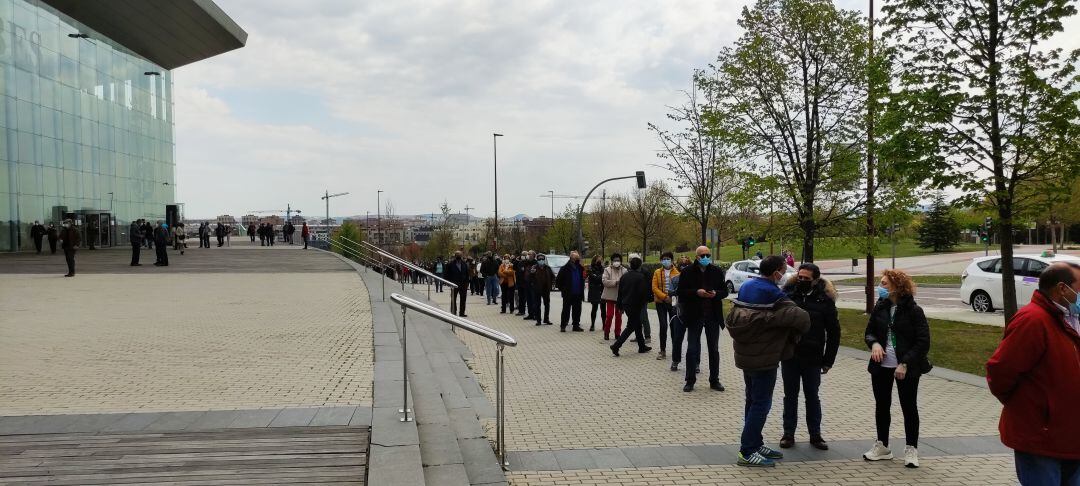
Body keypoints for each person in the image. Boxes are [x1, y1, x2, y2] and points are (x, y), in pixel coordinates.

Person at [987, 262, 1080, 485]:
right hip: (1041, 438)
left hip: (1071, 436)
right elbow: (1000, 372)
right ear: (1062, 289)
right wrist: (1032, 408)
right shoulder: (1033, 320)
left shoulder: (1070, 318)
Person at [726, 255, 810, 468]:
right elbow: (800, 317)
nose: (785, 275)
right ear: (776, 273)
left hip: (747, 355)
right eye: (784, 270)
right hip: (765, 356)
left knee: (751, 401)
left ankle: (755, 443)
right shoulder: (772, 292)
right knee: (761, 404)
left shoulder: (747, 286)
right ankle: (747, 451)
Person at [861, 269, 930, 469]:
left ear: (897, 287)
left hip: (905, 367)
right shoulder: (880, 306)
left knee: (909, 407)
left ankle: (911, 449)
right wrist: (874, 344)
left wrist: (905, 363)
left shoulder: (914, 310)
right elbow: (869, 332)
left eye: (884, 284)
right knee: (882, 405)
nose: (880, 287)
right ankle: (882, 446)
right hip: (881, 365)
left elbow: (923, 342)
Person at [778, 263, 840, 451]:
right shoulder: (788, 296)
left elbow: (834, 332)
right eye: (800, 277)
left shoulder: (825, 300)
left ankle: (815, 434)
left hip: (813, 356)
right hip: (790, 355)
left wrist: (828, 360)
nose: (802, 280)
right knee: (790, 395)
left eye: (806, 278)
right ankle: (788, 433)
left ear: (815, 280)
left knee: (812, 395)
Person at [677, 246, 729, 392]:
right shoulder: (687, 271)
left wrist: (715, 294)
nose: (706, 257)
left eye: (708, 254)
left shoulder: (717, 271)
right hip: (694, 315)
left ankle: (714, 380)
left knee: (714, 349)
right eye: (703, 255)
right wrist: (696, 292)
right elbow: (680, 292)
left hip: (712, 315)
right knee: (692, 349)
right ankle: (690, 380)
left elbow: (725, 291)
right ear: (697, 257)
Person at [610, 254, 652, 356]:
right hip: (636, 305)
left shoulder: (624, 277)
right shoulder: (641, 277)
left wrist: (619, 305)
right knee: (631, 326)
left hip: (626, 304)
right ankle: (616, 346)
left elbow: (620, 292)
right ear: (639, 266)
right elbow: (643, 292)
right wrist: (647, 300)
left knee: (637, 325)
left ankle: (642, 346)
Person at [652, 251, 680, 360]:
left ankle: (675, 350)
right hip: (661, 302)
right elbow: (654, 287)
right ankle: (662, 350)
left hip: (673, 302)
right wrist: (664, 297)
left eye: (668, 259)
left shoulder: (677, 272)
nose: (666, 261)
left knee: (674, 326)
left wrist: (671, 297)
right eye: (664, 259)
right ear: (661, 261)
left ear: (672, 260)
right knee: (663, 326)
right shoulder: (657, 272)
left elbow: (679, 287)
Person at [556, 251, 586, 332]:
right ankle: (563, 326)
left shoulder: (580, 268)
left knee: (577, 311)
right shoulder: (565, 268)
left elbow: (583, 277)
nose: (578, 260)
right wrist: (564, 289)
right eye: (577, 258)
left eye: (578, 258)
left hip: (578, 293)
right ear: (572, 258)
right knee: (566, 310)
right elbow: (558, 281)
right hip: (568, 294)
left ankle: (576, 325)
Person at [601, 253, 626, 341]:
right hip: (610, 296)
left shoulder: (624, 270)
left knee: (619, 316)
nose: (616, 262)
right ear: (612, 261)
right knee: (609, 315)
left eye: (618, 260)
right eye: (615, 260)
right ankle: (606, 332)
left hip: (620, 297)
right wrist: (616, 282)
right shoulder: (607, 270)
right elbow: (605, 282)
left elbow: (626, 282)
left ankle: (617, 334)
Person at [531, 253, 555, 326]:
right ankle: (538, 320)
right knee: (537, 305)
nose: (541, 260)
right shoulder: (534, 267)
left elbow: (553, 277)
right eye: (539, 259)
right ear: (537, 260)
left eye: (542, 259)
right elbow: (529, 278)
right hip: (537, 289)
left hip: (546, 289)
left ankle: (546, 319)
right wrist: (532, 274)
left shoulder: (547, 268)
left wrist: (551, 284)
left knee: (547, 304)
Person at [445, 251, 470, 317]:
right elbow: (446, 274)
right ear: (455, 256)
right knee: (453, 299)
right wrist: (448, 283)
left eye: (460, 255)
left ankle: (461, 313)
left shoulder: (464, 264)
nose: (459, 256)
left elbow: (467, 274)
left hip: (463, 284)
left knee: (463, 299)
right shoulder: (450, 264)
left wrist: (467, 283)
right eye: (457, 255)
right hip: (454, 284)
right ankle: (453, 312)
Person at [587, 255, 606, 332]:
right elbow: (595, 279)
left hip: (602, 290)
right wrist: (601, 277)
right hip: (594, 290)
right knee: (594, 308)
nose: (600, 261)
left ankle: (604, 325)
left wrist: (599, 277)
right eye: (599, 260)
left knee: (603, 309)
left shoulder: (603, 269)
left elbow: (603, 278)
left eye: (601, 260)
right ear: (595, 260)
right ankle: (592, 324)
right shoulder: (591, 268)